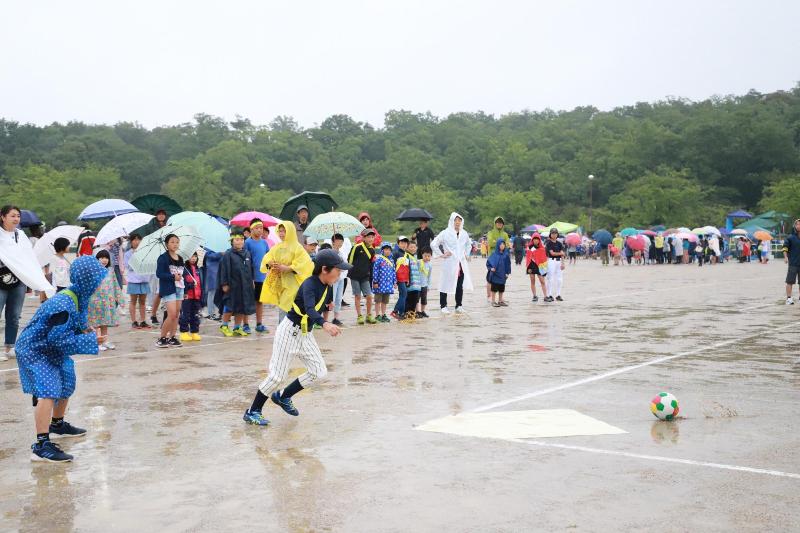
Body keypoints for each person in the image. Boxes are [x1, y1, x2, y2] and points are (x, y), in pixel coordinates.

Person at [242, 249, 348, 426]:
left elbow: (321, 306)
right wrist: (325, 323)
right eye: (338, 270)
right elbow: (309, 309)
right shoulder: (309, 284)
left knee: (318, 371)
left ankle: (283, 396)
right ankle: (253, 411)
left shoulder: (328, 286)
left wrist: (328, 306)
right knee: (277, 376)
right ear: (324, 269)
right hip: (289, 332)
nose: (340, 273)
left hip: (305, 333)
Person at [16, 256, 107, 462]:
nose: (100, 282)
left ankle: (57, 424)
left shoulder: (79, 295)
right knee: (49, 389)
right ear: (88, 280)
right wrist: (90, 339)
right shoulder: (63, 303)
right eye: (97, 278)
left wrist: (85, 329)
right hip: (35, 349)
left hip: (48, 347)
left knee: (66, 381)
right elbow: (58, 339)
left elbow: (79, 319)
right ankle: (41, 445)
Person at [0, 206, 55, 361]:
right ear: (3, 217)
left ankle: (10, 346)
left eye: (18, 216)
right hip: (0, 280)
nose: (16, 219)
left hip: (18, 280)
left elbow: (29, 258)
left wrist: (36, 277)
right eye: (12, 216)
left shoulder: (21, 235)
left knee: (14, 315)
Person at [260, 222, 314, 325]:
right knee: (283, 309)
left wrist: (289, 268)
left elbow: (306, 264)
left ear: (290, 231)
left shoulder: (297, 247)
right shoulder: (277, 247)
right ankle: (284, 332)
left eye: (284, 231)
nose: (281, 233)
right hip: (281, 284)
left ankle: (287, 331)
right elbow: (267, 259)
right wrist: (270, 263)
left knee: (288, 309)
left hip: (294, 285)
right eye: (280, 231)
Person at [431, 212, 473, 314]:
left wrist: (467, 254)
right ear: (452, 221)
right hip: (449, 262)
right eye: (456, 220)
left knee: (459, 285)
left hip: (461, 263)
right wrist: (442, 254)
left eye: (459, 220)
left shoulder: (464, 233)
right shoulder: (445, 233)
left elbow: (469, 245)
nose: (458, 222)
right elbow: (433, 244)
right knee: (445, 283)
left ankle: (458, 305)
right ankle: (443, 306)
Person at [218, 231, 256, 337]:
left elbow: (250, 268)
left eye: (242, 239)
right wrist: (224, 284)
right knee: (229, 305)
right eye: (237, 240)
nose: (239, 242)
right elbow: (224, 270)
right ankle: (224, 325)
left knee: (242, 307)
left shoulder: (247, 253)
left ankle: (237, 327)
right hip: (232, 285)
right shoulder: (228, 254)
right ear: (232, 241)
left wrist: (252, 280)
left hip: (245, 285)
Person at [154, 234, 185, 348]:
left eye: (177, 242)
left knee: (176, 314)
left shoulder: (180, 258)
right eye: (172, 242)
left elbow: (182, 273)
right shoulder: (163, 258)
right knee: (171, 314)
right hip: (168, 288)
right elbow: (159, 274)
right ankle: (162, 338)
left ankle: (172, 337)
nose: (175, 244)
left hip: (180, 288)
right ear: (167, 244)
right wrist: (173, 277)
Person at [88, 250, 122, 351]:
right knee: (96, 323)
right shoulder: (92, 271)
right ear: (97, 259)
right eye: (101, 258)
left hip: (107, 301)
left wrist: (120, 299)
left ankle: (105, 341)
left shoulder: (110, 271)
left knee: (104, 323)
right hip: (95, 301)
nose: (104, 260)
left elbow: (115, 285)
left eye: (106, 258)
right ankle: (97, 342)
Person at [244, 219, 270, 334]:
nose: (259, 230)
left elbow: (268, 257)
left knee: (260, 301)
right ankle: (245, 324)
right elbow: (245, 260)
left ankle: (259, 324)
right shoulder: (247, 243)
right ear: (251, 229)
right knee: (248, 301)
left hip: (262, 277)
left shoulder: (264, 243)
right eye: (257, 228)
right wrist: (250, 278)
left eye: (261, 228)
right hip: (250, 277)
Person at [348, 228, 377, 325]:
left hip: (365, 277)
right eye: (369, 237)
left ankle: (369, 315)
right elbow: (350, 260)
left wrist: (371, 277)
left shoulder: (372, 250)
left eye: (372, 237)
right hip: (355, 276)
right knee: (357, 296)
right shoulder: (356, 247)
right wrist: (351, 272)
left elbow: (371, 264)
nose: (371, 239)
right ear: (363, 238)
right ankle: (359, 316)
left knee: (369, 296)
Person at [124, 233, 152, 330]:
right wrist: (136, 257)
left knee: (143, 302)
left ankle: (143, 321)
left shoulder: (146, 252)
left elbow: (148, 264)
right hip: (133, 280)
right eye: (134, 240)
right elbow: (128, 267)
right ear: (131, 242)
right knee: (133, 301)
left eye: (138, 239)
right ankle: (134, 321)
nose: (136, 242)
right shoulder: (128, 254)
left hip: (144, 279)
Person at [179, 252, 203, 341]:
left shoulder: (197, 269)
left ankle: (194, 332)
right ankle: (184, 332)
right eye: (191, 256)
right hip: (187, 297)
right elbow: (182, 283)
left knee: (195, 315)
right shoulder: (184, 269)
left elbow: (201, 283)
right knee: (185, 315)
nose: (193, 258)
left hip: (196, 297)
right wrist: (190, 285)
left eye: (195, 256)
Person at [486, 217, 510, 301]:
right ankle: (489, 296)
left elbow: (507, 244)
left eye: (501, 222)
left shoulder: (505, 234)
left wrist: (496, 242)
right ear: (495, 223)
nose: (499, 224)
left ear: (503, 224)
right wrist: (500, 243)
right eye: (498, 222)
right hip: (493, 258)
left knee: (502, 277)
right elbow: (489, 242)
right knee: (490, 277)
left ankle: (500, 297)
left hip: (502, 258)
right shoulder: (490, 232)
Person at [372, 243, 395, 323]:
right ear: (382, 250)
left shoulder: (392, 260)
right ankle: (377, 315)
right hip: (379, 284)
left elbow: (393, 272)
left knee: (385, 301)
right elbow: (375, 271)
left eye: (389, 249)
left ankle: (383, 314)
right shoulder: (379, 259)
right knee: (378, 300)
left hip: (388, 285)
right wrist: (375, 282)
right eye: (385, 249)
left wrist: (394, 282)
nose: (387, 251)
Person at [487, 238, 512, 307]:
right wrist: (491, 268)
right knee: (494, 288)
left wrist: (507, 273)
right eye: (501, 244)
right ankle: (493, 301)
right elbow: (488, 263)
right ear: (498, 245)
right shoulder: (494, 254)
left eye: (503, 244)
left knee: (501, 288)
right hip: (495, 274)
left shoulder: (506, 254)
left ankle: (500, 301)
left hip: (503, 274)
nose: (502, 245)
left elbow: (508, 264)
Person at [390, 236, 411, 320]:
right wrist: (393, 279)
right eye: (402, 243)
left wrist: (408, 279)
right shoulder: (395, 253)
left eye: (405, 243)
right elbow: (392, 266)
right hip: (398, 278)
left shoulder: (407, 255)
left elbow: (407, 268)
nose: (404, 245)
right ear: (398, 243)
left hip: (405, 278)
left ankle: (401, 313)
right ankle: (395, 311)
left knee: (403, 295)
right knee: (404, 294)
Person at [330, 234, 348, 326]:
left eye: (342, 241)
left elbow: (346, 265)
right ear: (333, 242)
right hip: (332, 280)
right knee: (331, 298)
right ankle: (324, 317)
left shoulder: (342, 253)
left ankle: (336, 318)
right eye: (339, 241)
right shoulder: (329, 253)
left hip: (341, 278)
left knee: (338, 298)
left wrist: (341, 268)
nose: (340, 243)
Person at [544, 228, 566, 302]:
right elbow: (552, 253)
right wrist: (561, 253)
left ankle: (558, 295)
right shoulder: (548, 243)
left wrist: (563, 263)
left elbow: (562, 254)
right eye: (553, 233)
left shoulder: (560, 243)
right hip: (551, 261)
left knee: (560, 279)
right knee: (550, 278)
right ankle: (549, 294)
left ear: (557, 234)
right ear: (550, 234)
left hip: (559, 261)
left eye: (555, 233)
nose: (554, 235)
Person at [526, 233, 548, 302]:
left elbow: (544, 258)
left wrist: (544, 269)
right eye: (534, 239)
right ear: (532, 239)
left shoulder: (542, 248)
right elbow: (528, 258)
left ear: (539, 240)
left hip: (540, 266)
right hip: (531, 265)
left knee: (542, 281)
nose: (536, 240)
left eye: (537, 239)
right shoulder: (529, 248)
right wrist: (528, 266)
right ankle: (534, 296)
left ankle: (545, 296)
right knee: (532, 281)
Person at [782, 219, 800, 305]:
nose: (799, 226)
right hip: (793, 263)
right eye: (798, 225)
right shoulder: (790, 237)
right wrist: (785, 257)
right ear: (795, 226)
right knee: (790, 281)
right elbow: (785, 247)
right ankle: (789, 298)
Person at [404, 241, 422, 318]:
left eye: (414, 247)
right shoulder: (406, 256)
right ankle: (406, 314)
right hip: (410, 283)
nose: (413, 248)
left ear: (417, 248)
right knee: (409, 300)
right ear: (407, 248)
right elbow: (405, 270)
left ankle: (412, 314)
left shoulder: (415, 257)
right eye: (411, 247)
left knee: (415, 300)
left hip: (417, 284)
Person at [203, 249, 222, 320]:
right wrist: (220, 253)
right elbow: (211, 256)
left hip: (217, 275)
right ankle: (211, 313)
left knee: (214, 295)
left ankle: (214, 312)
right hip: (212, 276)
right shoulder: (208, 251)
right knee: (211, 294)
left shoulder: (216, 250)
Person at [417, 247, 433, 318]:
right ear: (422, 255)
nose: (427, 257)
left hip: (424, 285)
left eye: (428, 256)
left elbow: (429, 276)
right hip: (417, 285)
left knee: (424, 299)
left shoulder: (430, 265)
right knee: (416, 299)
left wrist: (428, 286)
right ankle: (417, 311)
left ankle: (422, 311)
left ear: (431, 256)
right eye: (425, 256)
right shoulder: (418, 262)